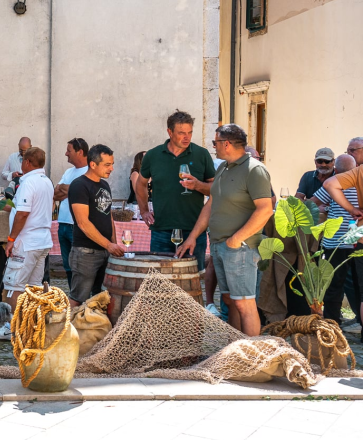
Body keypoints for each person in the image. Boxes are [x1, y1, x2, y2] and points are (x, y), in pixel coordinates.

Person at [178, 124, 272, 336]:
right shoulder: (223, 167)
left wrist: (236, 240)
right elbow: (211, 204)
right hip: (221, 245)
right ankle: (235, 349)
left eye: (215, 143)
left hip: (241, 248)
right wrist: (193, 236)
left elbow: (265, 210)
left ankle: (252, 355)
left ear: (226, 144)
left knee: (245, 303)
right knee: (230, 300)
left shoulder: (254, 170)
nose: (214, 147)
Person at [136, 111, 217, 270]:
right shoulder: (153, 155)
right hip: (162, 230)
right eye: (181, 133)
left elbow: (216, 190)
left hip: (193, 230)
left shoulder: (202, 154)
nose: (186, 137)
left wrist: (198, 186)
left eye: (190, 132)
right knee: (160, 281)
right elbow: (141, 184)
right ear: (170, 132)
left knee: (192, 278)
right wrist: (144, 210)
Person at [0, 147, 54, 341]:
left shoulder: (29, 182)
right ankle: (30, 326)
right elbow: (21, 207)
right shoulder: (46, 181)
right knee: (33, 287)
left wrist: (11, 239)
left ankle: (11, 328)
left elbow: (23, 213)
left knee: (14, 286)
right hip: (42, 240)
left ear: (27, 163)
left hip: (26, 242)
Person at [67, 144, 124, 308]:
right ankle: (66, 332)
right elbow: (83, 223)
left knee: (102, 298)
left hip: (106, 250)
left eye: (112, 164)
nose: (111, 168)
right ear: (93, 164)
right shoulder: (79, 185)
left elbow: (108, 216)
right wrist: (109, 245)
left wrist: (113, 244)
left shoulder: (104, 185)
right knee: (78, 298)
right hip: (86, 252)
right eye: (107, 164)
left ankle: (95, 331)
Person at [313, 154, 361, 327]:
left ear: (337, 170)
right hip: (358, 240)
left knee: (333, 286)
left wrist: (324, 208)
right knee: (359, 286)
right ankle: (359, 321)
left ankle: (332, 324)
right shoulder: (359, 181)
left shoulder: (335, 183)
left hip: (335, 243)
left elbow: (311, 204)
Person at [52, 138, 88, 286]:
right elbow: (55, 193)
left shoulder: (89, 171)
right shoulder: (69, 171)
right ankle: (73, 295)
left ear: (80, 152)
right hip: (63, 224)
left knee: (79, 266)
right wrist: (71, 189)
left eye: (69, 150)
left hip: (76, 226)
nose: (66, 153)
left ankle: (81, 297)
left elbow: (78, 192)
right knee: (67, 265)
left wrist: (68, 189)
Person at [322, 137, 363, 222]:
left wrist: (352, 210)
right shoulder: (357, 172)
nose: (349, 154)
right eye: (347, 151)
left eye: (352, 150)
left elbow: (329, 184)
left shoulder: (359, 171)